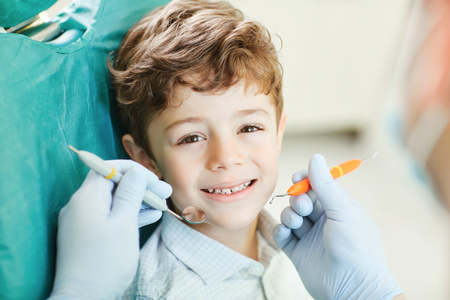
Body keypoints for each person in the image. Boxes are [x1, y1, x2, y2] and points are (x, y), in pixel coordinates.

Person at [49, 0, 406, 299]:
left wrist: (366, 291)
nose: (227, 157)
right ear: (145, 158)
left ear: (278, 133)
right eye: (191, 137)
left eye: (249, 127)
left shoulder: (306, 248)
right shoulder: (162, 290)